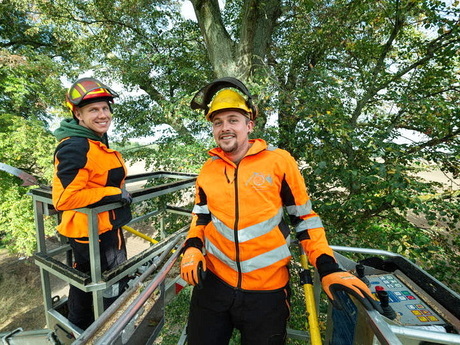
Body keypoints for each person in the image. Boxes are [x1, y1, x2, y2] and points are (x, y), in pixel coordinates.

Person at [180, 77, 379, 344]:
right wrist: (192, 247)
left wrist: (327, 266)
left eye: (232, 119)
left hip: (267, 291)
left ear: (249, 125)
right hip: (214, 285)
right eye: (218, 122)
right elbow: (201, 215)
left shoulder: (279, 162)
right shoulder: (208, 170)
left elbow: (304, 218)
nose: (225, 127)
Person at [52, 77, 132, 330]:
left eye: (105, 108)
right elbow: (65, 198)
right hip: (92, 235)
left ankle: (107, 322)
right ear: (78, 114)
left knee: (109, 282)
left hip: (107, 228)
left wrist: (117, 191)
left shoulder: (94, 142)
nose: (102, 114)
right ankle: (92, 331)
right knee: (91, 286)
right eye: (93, 109)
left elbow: (95, 179)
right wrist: (115, 194)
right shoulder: (75, 146)